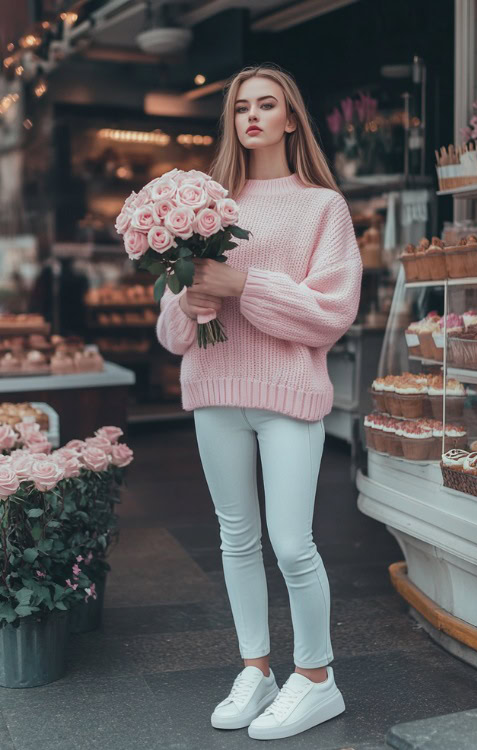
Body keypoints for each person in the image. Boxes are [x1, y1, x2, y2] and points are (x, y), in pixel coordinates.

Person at [156, 63, 363, 741]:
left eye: (266, 104)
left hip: (288, 395)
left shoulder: (320, 206)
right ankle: (257, 669)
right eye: (241, 105)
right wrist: (189, 299)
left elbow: (329, 312)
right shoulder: (204, 204)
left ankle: (316, 678)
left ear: (291, 118)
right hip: (214, 390)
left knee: (292, 543)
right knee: (236, 537)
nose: (251, 115)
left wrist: (242, 284)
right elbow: (172, 331)